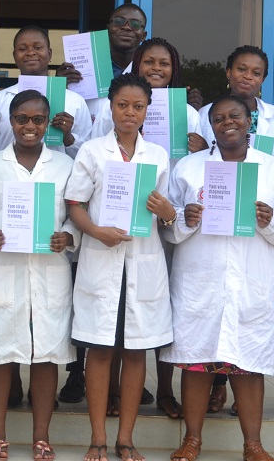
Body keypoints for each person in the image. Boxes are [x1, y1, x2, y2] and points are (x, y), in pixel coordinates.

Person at [162, 96, 274, 461]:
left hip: (250, 278)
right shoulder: (190, 168)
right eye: (219, 118)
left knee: (248, 364)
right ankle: (192, 439)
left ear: (249, 122)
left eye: (236, 116)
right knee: (197, 361)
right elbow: (169, 221)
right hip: (202, 277)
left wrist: (271, 218)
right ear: (210, 126)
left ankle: (253, 445)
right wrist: (184, 218)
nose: (228, 123)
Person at [86, 37, 207, 418]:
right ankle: (117, 391)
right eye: (149, 62)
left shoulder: (186, 111)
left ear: (175, 70)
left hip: (161, 219)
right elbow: (94, 171)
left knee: (154, 313)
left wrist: (199, 146)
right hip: (117, 224)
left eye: (165, 63)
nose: (157, 68)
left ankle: (165, 389)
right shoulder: (113, 113)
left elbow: (198, 162)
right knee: (117, 314)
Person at [64, 73, 176, 461]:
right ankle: (97, 438)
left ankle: (126, 439)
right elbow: (74, 202)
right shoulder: (93, 152)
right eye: (122, 105)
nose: (130, 113)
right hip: (102, 258)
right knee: (98, 349)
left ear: (148, 110)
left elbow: (169, 213)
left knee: (135, 351)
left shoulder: (159, 156)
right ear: (110, 107)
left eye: (138, 106)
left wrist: (167, 213)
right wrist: (95, 230)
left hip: (143, 264)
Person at [0, 90, 78, 461]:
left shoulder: (65, 166)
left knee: (47, 352)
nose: (29, 126)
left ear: (47, 123)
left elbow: (74, 213)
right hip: (4, 267)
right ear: (10, 121)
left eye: (37, 119)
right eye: (21, 119)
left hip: (49, 268)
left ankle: (41, 436)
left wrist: (69, 235)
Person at [196, 45, 274, 413]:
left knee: (244, 318)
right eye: (240, 69)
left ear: (263, 80)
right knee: (213, 314)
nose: (247, 77)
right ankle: (216, 386)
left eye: (255, 72)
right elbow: (194, 161)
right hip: (213, 226)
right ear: (227, 71)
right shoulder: (205, 113)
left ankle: (237, 392)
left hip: (258, 227)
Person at [0, 26, 92, 158]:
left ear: (49, 53)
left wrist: (69, 138)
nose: (30, 52)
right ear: (14, 56)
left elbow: (88, 157)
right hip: (9, 176)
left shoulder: (74, 101)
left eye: (38, 48)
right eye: (22, 49)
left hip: (58, 176)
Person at [56, 3, 148, 125]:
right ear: (108, 29)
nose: (127, 27)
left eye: (135, 24)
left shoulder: (148, 73)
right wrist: (59, 87)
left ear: (143, 36)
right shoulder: (83, 67)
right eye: (119, 21)